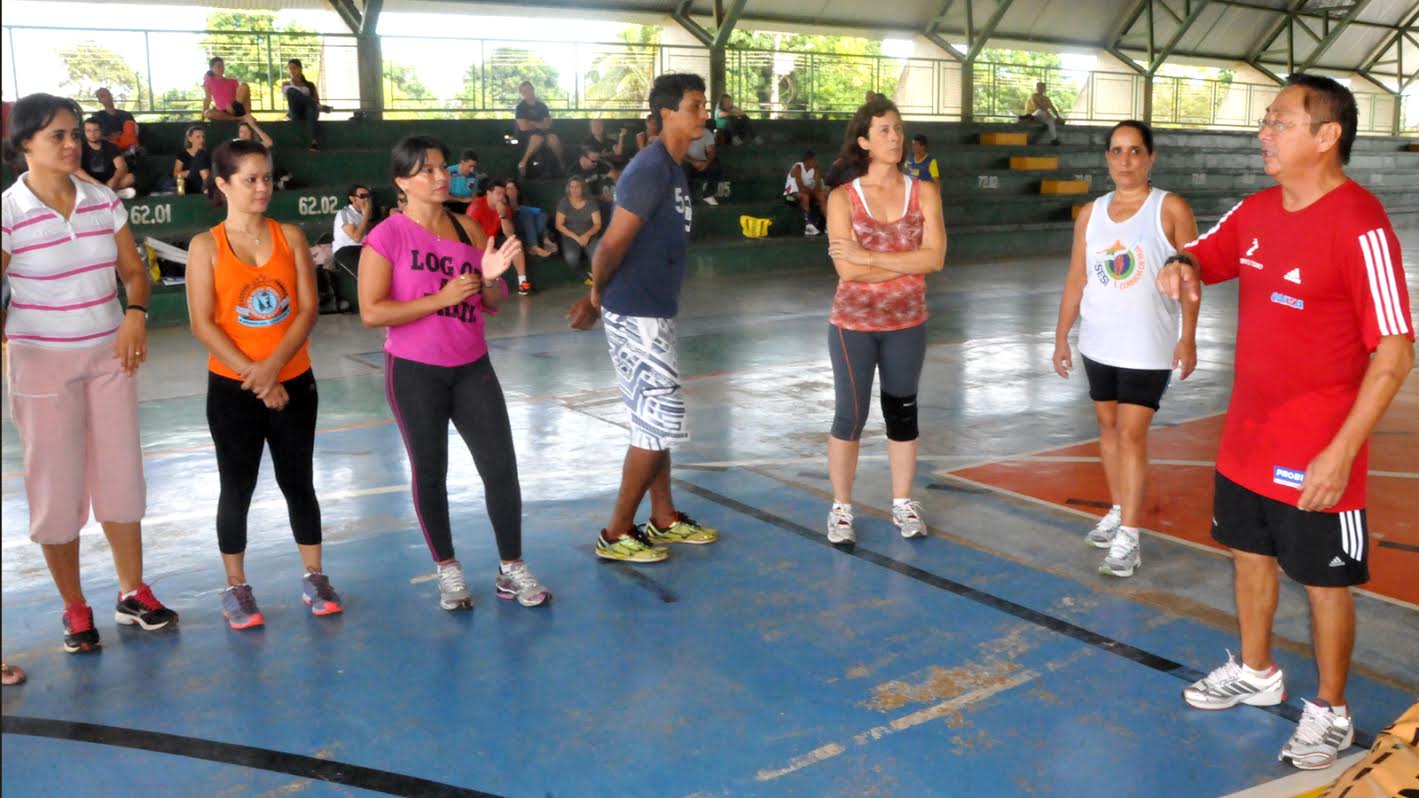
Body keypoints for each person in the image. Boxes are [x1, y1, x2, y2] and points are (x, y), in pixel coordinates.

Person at [1159, 74, 1413, 771]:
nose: (1263, 132)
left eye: (1279, 121)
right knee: (1248, 556)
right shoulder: (1256, 209)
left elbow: (1393, 351)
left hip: (1318, 450)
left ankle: (1329, 708)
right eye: (1265, 120)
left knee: (1324, 582)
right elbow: (1206, 252)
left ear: (1325, 137)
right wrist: (1180, 265)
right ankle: (1255, 667)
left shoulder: (1360, 225)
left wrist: (1340, 453)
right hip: (1245, 438)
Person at [2, 93, 179, 653]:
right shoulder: (8, 213)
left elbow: (134, 273)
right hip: (41, 364)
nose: (72, 143)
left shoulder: (102, 201)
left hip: (110, 357)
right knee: (56, 489)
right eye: (57, 135)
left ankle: (133, 593)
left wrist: (134, 317)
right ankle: (75, 609)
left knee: (122, 478)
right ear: (24, 142)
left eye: (75, 133)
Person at [358, 135, 550, 610]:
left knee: (501, 468)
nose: (442, 177)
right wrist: (440, 299)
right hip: (415, 372)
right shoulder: (387, 236)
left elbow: (493, 302)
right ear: (402, 181)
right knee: (431, 471)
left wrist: (488, 280)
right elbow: (371, 311)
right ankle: (447, 567)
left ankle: (511, 566)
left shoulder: (467, 229)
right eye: (428, 170)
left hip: (472, 367)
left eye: (443, 168)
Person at [567, 73, 721, 563]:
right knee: (659, 422)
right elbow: (611, 244)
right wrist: (595, 299)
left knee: (653, 422)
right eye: (696, 105)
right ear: (667, 113)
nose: (704, 114)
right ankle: (615, 533)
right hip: (636, 312)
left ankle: (664, 517)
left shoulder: (674, 168)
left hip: (655, 309)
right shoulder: (650, 168)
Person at [185, 139, 337, 629]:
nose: (261, 187)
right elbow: (203, 324)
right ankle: (236, 588)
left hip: (293, 381)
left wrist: (274, 369)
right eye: (249, 179)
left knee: (299, 481)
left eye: (267, 177)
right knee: (237, 486)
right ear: (222, 183)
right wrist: (257, 376)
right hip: (233, 389)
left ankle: (314, 577)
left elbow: (308, 309)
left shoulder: (289, 236)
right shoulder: (205, 246)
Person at [1051, 120, 1199, 578]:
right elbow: (1077, 277)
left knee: (1132, 435)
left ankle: (1130, 536)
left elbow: (1194, 274)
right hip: (1099, 341)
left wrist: (1188, 336)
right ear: (1107, 159)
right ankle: (1118, 508)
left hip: (1146, 344)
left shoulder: (1169, 208)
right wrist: (1061, 335)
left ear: (1151, 157)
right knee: (1108, 426)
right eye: (1117, 151)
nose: (1125, 160)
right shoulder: (1090, 213)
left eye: (1135, 151)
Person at [822, 96, 947, 547]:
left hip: (907, 323)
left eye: (897, 128)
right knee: (850, 416)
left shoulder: (925, 192)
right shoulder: (842, 198)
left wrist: (872, 255)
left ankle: (902, 502)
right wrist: (905, 263)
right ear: (864, 141)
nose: (895, 137)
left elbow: (936, 258)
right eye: (883, 131)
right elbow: (847, 271)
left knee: (903, 414)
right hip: (852, 324)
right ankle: (841, 508)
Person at [555, 175, 602, 285]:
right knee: (571, 258)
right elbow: (559, 225)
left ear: (583, 188)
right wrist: (576, 237)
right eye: (572, 187)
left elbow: (597, 224)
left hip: (589, 234)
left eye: (577, 187)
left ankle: (599, 279)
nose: (574, 189)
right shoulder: (564, 203)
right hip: (570, 236)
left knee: (596, 255)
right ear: (568, 188)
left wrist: (587, 235)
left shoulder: (591, 203)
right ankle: (586, 277)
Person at [514, 81, 563, 178]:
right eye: (524, 91)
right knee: (537, 138)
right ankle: (523, 163)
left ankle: (561, 163)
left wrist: (531, 122)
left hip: (544, 133)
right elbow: (523, 127)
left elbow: (548, 125)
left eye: (529, 89)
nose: (527, 92)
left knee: (553, 138)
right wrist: (540, 124)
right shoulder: (520, 108)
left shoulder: (542, 106)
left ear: (533, 90)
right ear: (521, 93)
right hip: (526, 136)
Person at [77, 117, 136, 198]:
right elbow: (75, 169)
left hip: (110, 182)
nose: (92, 134)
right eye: (88, 131)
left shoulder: (110, 146)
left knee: (130, 178)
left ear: (101, 131)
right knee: (74, 179)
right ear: (84, 132)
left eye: (96, 130)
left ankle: (107, 192)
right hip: (90, 182)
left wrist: (115, 180)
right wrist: (94, 182)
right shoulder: (79, 148)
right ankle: (113, 193)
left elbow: (122, 166)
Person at [282, 58, 330, 151]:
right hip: (296, 111)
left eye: (294, 68)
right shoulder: (286, 83)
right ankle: (318, 107)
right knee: (291, 91)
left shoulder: (309, 85)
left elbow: (316, 100)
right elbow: (289, 98)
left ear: (300, 69)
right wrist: (314, 104)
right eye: (290, 68)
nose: (292, 70)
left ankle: (313, 142)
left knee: (310, 108)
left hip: (309, 112)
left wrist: (314, 104)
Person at [505, 179, 557, 261]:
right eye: (508, 188)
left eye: (513, 188)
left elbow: (540, 212)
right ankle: (535, 245)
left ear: (517, 191)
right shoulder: (504, 205)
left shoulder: (523, 203)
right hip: (516, 227)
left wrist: (522, 208)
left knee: (542, 215)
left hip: (530, 227)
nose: (510, 191)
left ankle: (544, 239)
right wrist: (520, 210)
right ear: (505, 191)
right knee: (528, 215)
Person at [785, 151, 828, 236]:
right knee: (804, 196)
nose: (815, 162)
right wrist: (814, 191)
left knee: (821, 196)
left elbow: (818, 186)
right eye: (813, 160)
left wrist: (816, 190)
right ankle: (808, 225)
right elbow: (800, 187)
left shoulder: (815, 169)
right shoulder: (798, 167)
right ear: (807, 161)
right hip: (789, 197)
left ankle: (829, 224)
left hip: (809, 194)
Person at [202, 57, 254, 125]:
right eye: (218, 66)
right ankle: (239, 118)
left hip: (235, 108)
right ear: (212, 68)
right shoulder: (208, 81)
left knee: (244, 86)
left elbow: (241, 98)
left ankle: (248, 116)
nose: (221, 68)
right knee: (207, 113)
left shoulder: (232, 81)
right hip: (222, 113)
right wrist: (202, 119)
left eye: (222, 66)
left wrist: (231, 105)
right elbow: (207, 98)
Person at [333, 183, 373, 272]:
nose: (366, 199)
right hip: (347, 250)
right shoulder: (345, 213)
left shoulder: (363, 215)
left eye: (368, 196)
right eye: (362, 196)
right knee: (364, 275)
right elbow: (356, 237)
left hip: (364, 250)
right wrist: (366, 215)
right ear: (352, 199)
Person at [684, 123, 724, 206]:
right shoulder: (681, 132)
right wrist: (693, 162)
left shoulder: (706, 132)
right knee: (684, 168)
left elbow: (711, 150)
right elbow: (679, 153)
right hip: (687, 162)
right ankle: (687, 196)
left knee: (715, 167)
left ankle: (708, 194)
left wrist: (707, 163)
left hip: (702, 162)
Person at [93, 88, 139, 156]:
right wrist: (108, 137)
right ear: (99, 100)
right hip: (109, 143)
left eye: (109, 94)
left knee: (129, 124)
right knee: (108, 144)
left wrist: (121, 134)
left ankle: (131, 150)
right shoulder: (97, 116)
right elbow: (92, 133)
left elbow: (135, 129)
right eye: (102, 96)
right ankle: (124, 154)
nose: (107, 97)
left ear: (111, 96)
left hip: (126, 141)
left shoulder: (126, 114)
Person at [172, 125, 210, 196]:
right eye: (198, 137)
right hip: (190, 185)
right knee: (200, 154)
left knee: (201, 154)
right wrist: (193, 172)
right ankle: (207, 188)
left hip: (203, 183)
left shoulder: (207, 154)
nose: (201, 140)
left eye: (203, 137)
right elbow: (175, 174)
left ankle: (206, 188)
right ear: (190, 138)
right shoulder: (183, 155)